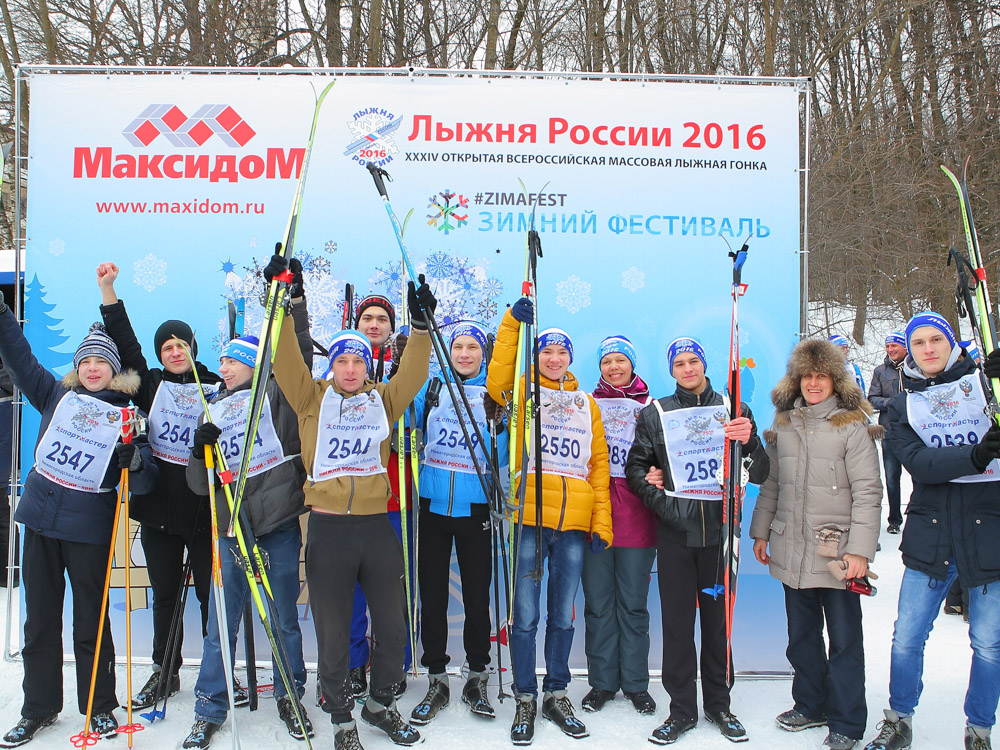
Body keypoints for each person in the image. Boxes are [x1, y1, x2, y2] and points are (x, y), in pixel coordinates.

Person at [271, 266, 436, 750]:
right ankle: (342, 718)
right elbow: (285, 359)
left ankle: (380, 705)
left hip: (375, 526)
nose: (349, 369)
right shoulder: (310, 398)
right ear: (332, 366)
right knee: (334, 630)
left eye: (357, 361)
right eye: (341, 360)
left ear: (367, 366)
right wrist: (285, 306)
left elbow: (414, 372)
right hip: (328, 530)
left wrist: (421, 327)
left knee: (393, 624)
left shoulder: (382, 400)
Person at [0, 305, 158, 747]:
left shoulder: (127, 415)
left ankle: (99, 704)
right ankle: (38, 708)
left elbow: (147, 479)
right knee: (39, 621)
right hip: (40, 522)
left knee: (91, 620)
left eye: (101, 362)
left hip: (89, 528)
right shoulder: (56, 396)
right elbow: (20, 358)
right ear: (76, 368)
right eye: (85, 361)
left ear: (113, 371)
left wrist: (135, 459)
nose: (92, 368)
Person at [180, 262, 314, 750]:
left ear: (255, 365)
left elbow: (297, 353)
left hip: (276, 525)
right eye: (223, 361)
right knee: (222, 624)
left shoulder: (275, 395)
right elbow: (199, 486)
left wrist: (289, 300)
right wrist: (199, 451)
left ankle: (290, 695)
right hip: (231, 531)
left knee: (282, 619)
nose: (226, 367)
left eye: (235, 361)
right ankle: (209, 707)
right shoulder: (211, 406)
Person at [863, 312, 1000, 750]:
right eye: (918, 342)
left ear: (951, 343)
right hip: (931, 535)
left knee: (989, 643)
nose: (927, 349)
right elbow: (920, 465)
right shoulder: (903, 405)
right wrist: (976, 456)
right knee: (907, 637)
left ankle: (979, 730)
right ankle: (898, 720)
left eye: (935, 339)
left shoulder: (987, 388)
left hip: (987, 535)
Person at [625, 336, 769, 745]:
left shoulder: (734, 408)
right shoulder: (656, 413)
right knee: (677, 625)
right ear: (671, 370)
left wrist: (748, 440)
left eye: (693, 361)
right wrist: (666, 507)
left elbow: (760, 472)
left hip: (719, 538)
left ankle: (719, 705)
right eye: (679, 364)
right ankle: (682, 710)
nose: (687, 369)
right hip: (676, 537)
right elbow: (636, 470)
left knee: (718, 625)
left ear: (704, 364)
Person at [96, 262, 224, 709]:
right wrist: (108, 290)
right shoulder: (150, 384)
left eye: (180, 345)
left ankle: (218, 674)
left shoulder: (216, 385)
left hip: (205, 513)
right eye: (167, 347)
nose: (174, 352)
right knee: (166, 597)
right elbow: (126, 342)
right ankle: (164, 671)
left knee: (211, 597)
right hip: (159, 513)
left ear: (193, 347)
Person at [486, 298, 612, 746]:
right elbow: (496, 380)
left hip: (573, 523)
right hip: (530, 518)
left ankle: (556, 693)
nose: (554, 359)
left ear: (570, 359)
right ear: (536, 356)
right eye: (545, 351)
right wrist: (511, 325)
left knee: (562, 615)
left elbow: (599, 465)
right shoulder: (522, 392)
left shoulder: (586, 403)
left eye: (561, 353)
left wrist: (601, 523)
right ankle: (525, 695)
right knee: (525, 616)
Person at [750, 338, 883, 750]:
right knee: (802, 637)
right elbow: (772, 484)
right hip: (792, 546)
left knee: (844, 641)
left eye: (821, 376)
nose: (813, 383)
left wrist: (859, 551)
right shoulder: (785, 425)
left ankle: (847, 721)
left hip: (837, 554)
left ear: (834, 381)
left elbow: (868, 492)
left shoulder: (851, 425)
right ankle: (810, 704)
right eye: (806, 376)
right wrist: (761, 531)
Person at [407, 321, 509, 725]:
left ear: (484, 353)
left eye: (472, 347)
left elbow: (504, 456)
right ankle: (436, 676)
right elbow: (404, 421)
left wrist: (502, 422)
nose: (464, 354)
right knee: (431, 597)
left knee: (477, 599)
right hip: (432, 505)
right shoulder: (432, 387)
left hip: (476, 509)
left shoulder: (494, 393)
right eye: (458, 347)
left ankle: (477, 675)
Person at [581, 335, 657, 716]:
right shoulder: (585, 404)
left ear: (631, 364)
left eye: (620, 360)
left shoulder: (651, 407)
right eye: (607, 362)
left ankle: (637, 684)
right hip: (594, 513)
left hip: (637, 516)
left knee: (633, 604)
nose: (614, 367)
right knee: (598, 603)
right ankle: (602, 683)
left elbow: (668, 455)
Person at [346, 293, 414, 701]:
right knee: (350, 592)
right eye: (367, 318)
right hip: (351, 500)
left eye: (382, 319)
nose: (374, 324)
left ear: (391, 326)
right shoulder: (342, 367)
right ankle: (354, 663)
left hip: (395, 498)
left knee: (393, 591)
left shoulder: (404, 363)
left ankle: (392, 665)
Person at [868, 332, 907, 535]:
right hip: (889, 431)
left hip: (914, 431)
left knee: (920, 476)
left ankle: (920, 514)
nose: (891, 350)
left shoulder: (915, 368)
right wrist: (893, 403)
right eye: (888, 346)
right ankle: (894, 520)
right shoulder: (880, 371)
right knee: (892, 477)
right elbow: (872, 398)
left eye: (894, 346)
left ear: (905, 347)